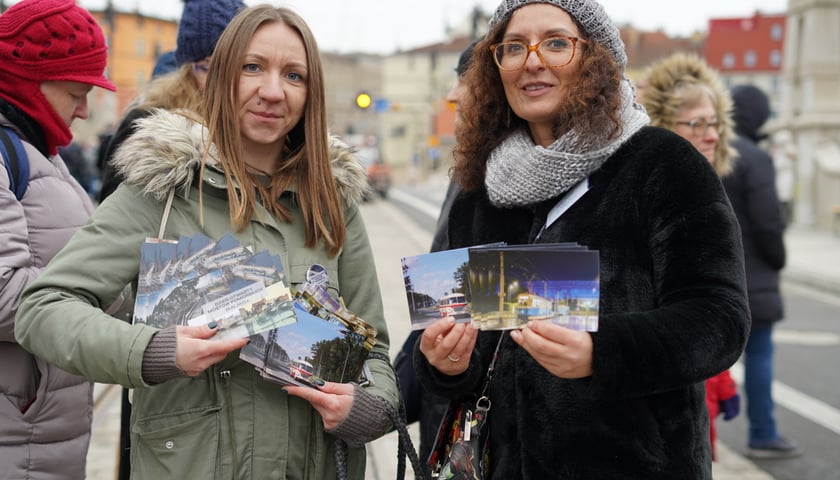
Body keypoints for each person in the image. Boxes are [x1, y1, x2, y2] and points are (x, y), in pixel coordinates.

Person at [16, 5, 399, 479]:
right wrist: (152, 351)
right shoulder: (160, 190)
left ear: (310, 93)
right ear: (219, 77)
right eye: (252, 68)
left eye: (294, 75)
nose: (272, 91)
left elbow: (376, 354)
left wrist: (366, 409)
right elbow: (43, 307)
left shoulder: (333, 205)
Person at [412, 0, 750, 478]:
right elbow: (471, 346)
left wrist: (603, 351)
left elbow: (720, 319)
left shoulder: (664, 165)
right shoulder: (479, 190)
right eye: (513, 47)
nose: (532, 60)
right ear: (497, 69)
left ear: (596, 59)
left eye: (555, 43)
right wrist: (445, 363)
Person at [0, 0, 116, 477]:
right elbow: (4, 295)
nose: (85, 110)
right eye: (76, 91)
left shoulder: (40, 152)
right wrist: (106, 284)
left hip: (42, 430)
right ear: (32, 81)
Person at [637, 52, 742, 460]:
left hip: (694, 394)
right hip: (655, 407)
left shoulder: (711, 194)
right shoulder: (644, 198)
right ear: (663, 127)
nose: (712, 135)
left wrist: (721, 382)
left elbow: (711, 304)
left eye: (715, 123)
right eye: (697, 124)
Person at [395, 40, 478, 470]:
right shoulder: (467, 173)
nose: (452, 96)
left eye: (468, 80)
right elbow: (435, 312)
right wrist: (386, 397)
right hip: (449, 429)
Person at [98, 0, 246, 202]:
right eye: (209, 67)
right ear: (186, 69)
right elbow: (113, 212)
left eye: (240, 67)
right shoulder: (146, 122)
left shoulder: (256, 124)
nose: (222, 81)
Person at [724, 84, 800, 459]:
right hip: (754, 274)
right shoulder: (755, 157)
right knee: (759, 354)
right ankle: (763, 432)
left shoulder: (713, 149)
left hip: (718, 269)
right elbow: (769, 221)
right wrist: (778, 259)